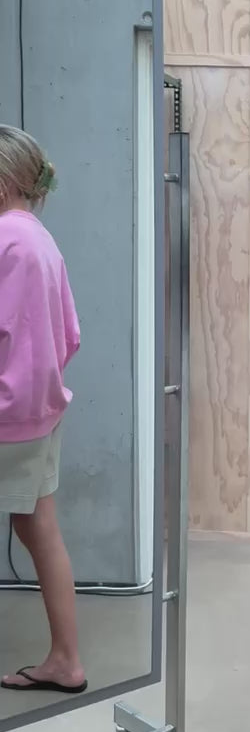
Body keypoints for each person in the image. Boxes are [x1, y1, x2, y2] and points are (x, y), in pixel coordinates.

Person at [0, 124, 86, 696]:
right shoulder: (40, 240)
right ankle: (65, 659)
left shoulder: (7, 240)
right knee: (38, 528)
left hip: (9, 415)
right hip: (39, 412)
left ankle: (66, 659)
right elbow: (68, 335)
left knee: (38, 528)